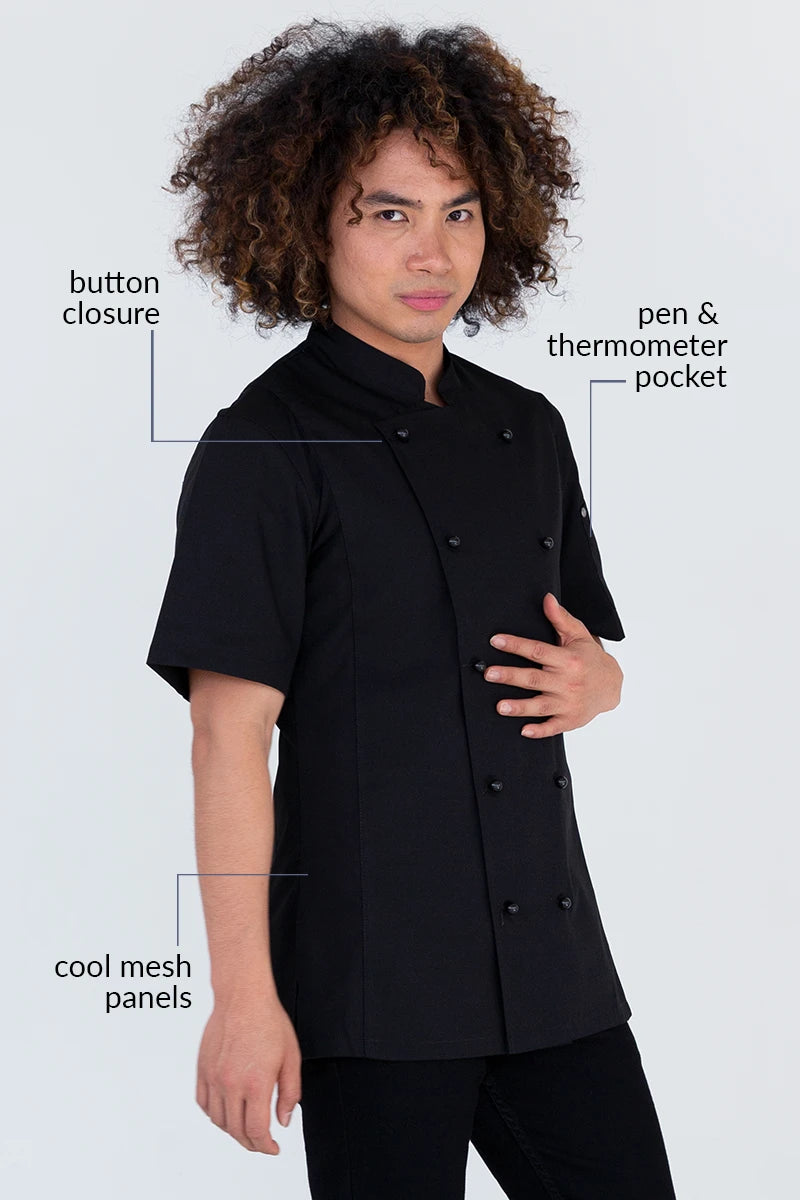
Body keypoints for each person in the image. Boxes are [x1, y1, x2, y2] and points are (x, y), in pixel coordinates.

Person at [146, 19, 677, 1199]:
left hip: (550, 970)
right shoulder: (264, 446)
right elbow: (226, 736)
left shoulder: (528, 427)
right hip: (372, 982)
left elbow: (582, 652)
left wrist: (602, 684)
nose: (431, 251)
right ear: (309, 223)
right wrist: (242, 1001)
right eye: (388, 212)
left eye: (458, 212)